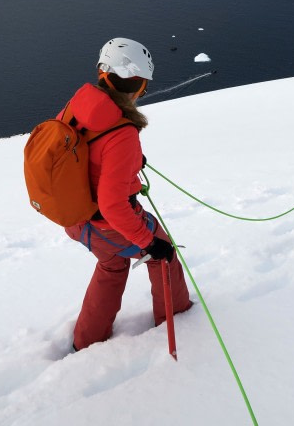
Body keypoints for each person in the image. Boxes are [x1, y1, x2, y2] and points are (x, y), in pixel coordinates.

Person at [61, 37, 192, 351]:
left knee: (112, 264)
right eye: (138, 84)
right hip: (107, 223)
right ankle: (179, 320)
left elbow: (87, 152)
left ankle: (87, 340)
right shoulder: (121, 133)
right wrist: (150, 243)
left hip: (75, 217)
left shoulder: (80, 105)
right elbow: (113, 204)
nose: (138, 91)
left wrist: (127, 162)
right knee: (165, 257)